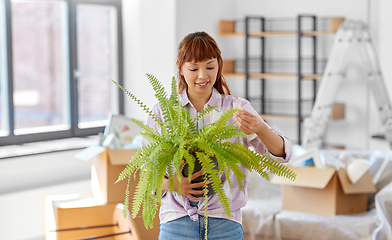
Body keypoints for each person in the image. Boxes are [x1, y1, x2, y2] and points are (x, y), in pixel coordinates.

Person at [143, 31, 292, 240]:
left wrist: (260, 128)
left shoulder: (237, 109)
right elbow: (146, 173)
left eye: (210, 67)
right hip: (176, 222)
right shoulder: (163, 112)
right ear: (180, 68)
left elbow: (280, 155)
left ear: (219, 65)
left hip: (224, 223)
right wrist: (172, 185)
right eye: (194, 68)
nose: (203, 75)